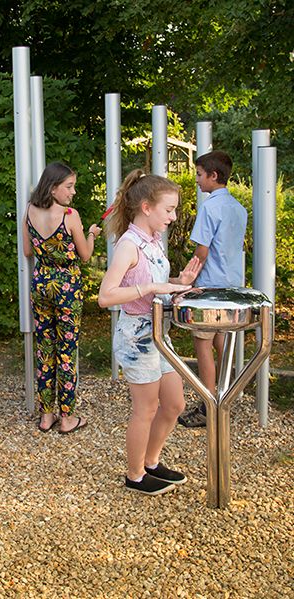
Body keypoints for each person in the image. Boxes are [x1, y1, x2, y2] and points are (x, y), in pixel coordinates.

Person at [98, 170, 202, 495]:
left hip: (158, 333)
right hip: (137, 338)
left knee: (174, 405)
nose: (173, 217)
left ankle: (151, 463)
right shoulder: (129, 246)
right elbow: (105, 296)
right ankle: (135, 474)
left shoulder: (153, 241)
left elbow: (157, 290)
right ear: (146, 207)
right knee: (145, 409)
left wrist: (180, 285)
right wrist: (151, 286)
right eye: (168, 210)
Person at [22, 162, 101, 434]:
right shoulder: (70, 215)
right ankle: (67, 418)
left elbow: (27, 251)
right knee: (66, 352)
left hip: (41, 284)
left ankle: (46, 415)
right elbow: (86, 254)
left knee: (46, 349)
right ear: (53, 187)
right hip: (66, 286)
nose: (73, 192)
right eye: (69, 186)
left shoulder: (29, 211)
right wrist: (91, 233)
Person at [178, 151, 248, 428]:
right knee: (222, 342)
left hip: (210, 285)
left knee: (203, 343)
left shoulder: (210, 207)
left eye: (198, 174)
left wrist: (185, 277)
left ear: (213, 176)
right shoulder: (238, 208)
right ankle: (225, 397)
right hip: (232, 283)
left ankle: (210, 407)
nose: (196, 180)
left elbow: (202, 250)